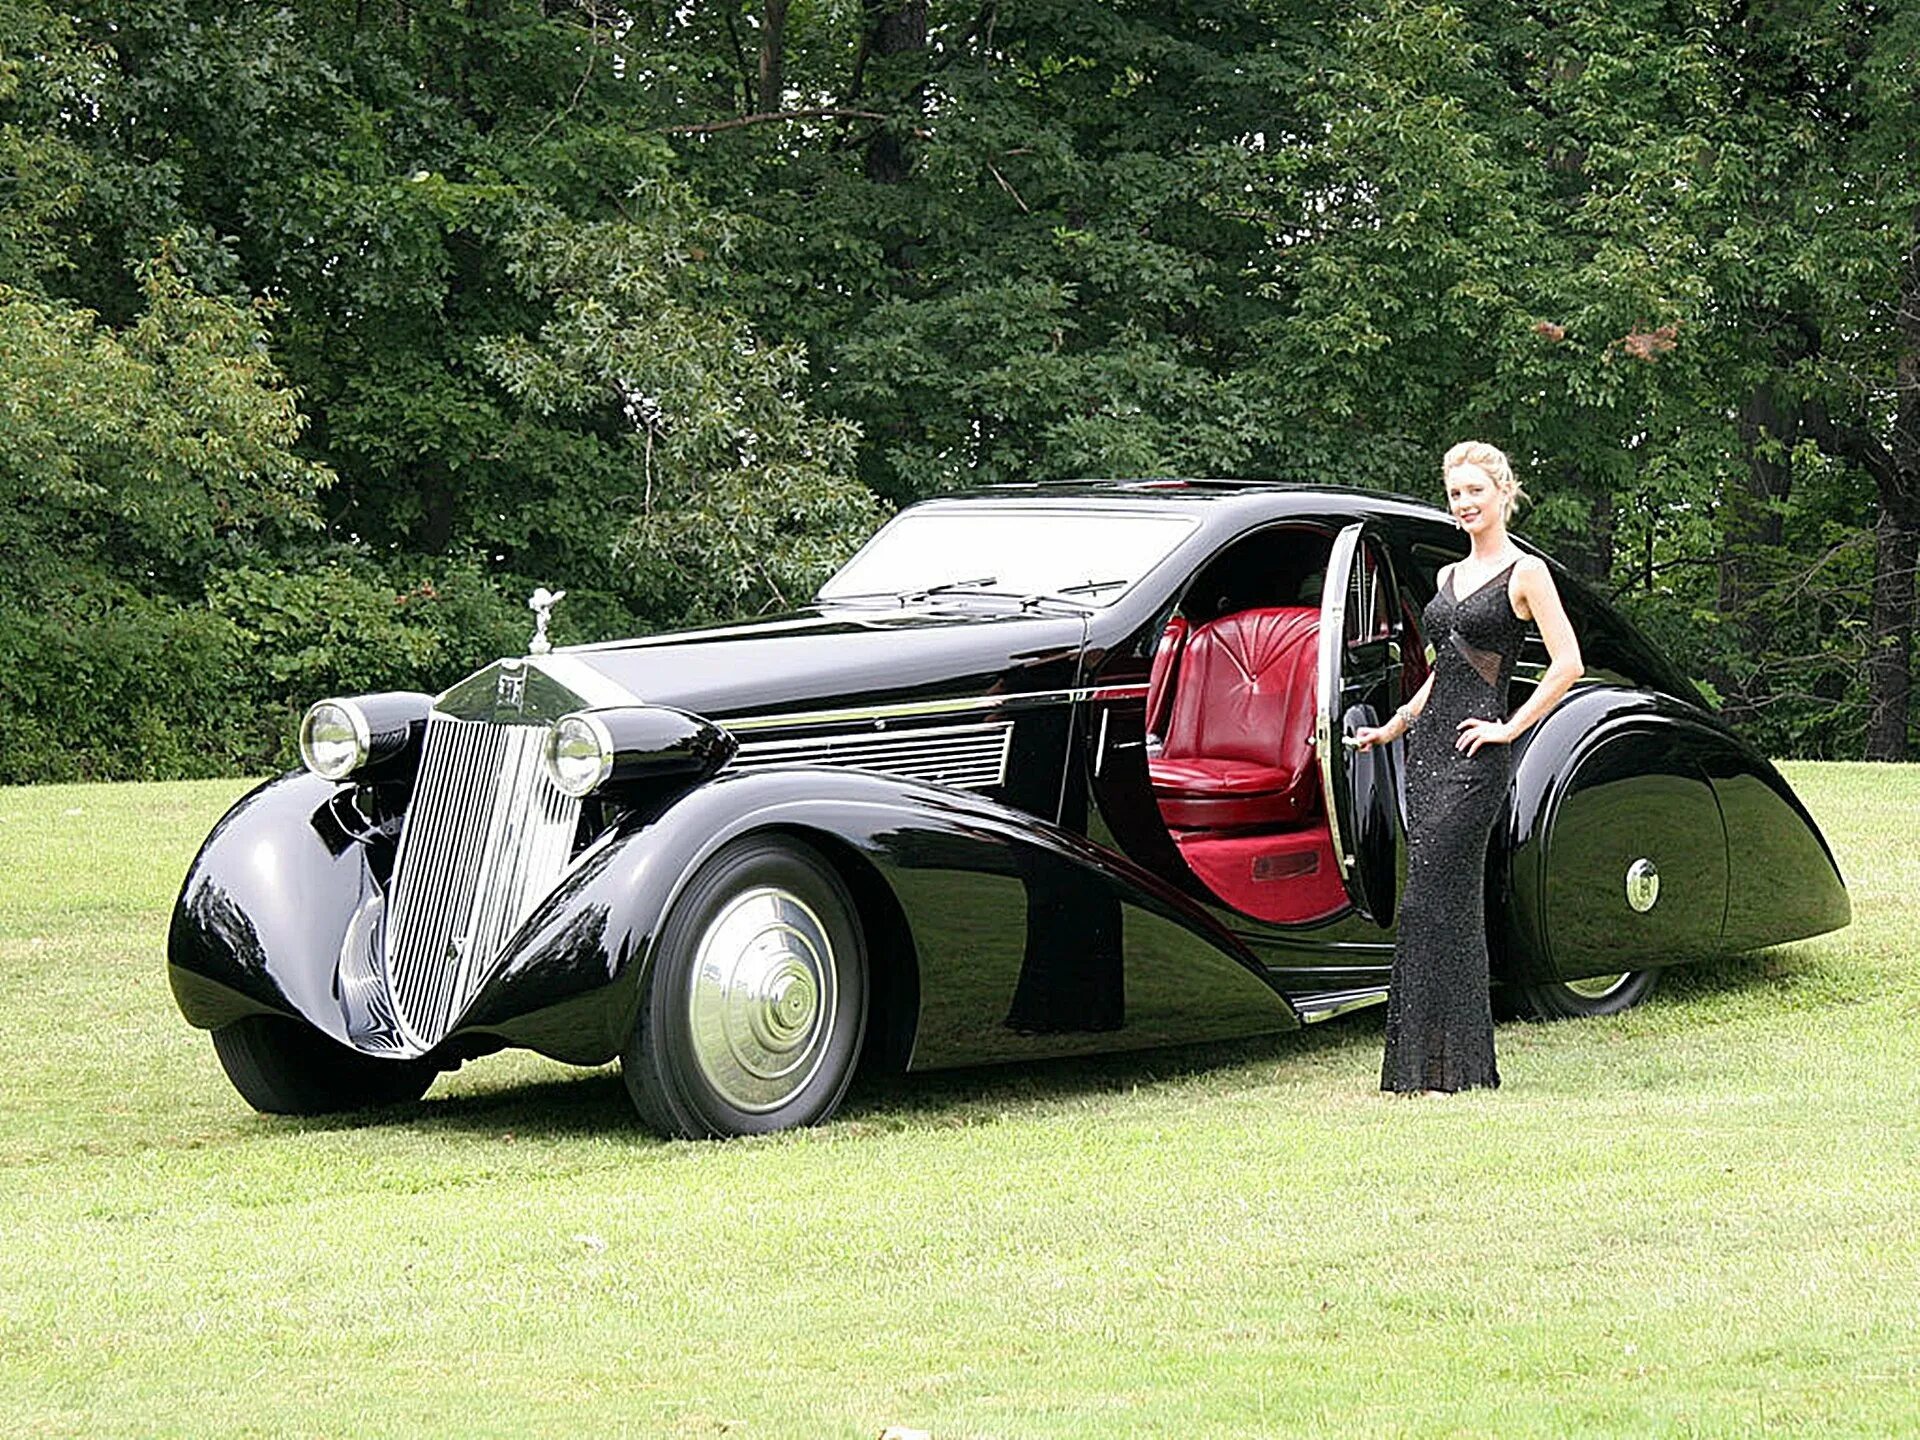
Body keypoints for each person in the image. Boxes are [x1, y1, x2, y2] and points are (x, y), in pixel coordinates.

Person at [1351, 442, 1585, 1094]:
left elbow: (1568, 664)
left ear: (1503, 494)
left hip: (1478, 754)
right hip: (1427, 752)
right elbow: (1442, 673)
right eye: (1456, 494)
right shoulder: (1446, 579)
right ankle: (1451, 1069)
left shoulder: (1526, 573)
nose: (1464, 504)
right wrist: (1394, 726)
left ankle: (1434, 1070)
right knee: (1445, 905)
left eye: (1475, 491)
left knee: (1430, 900)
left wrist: (1510, 726)